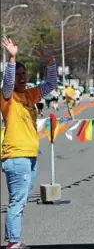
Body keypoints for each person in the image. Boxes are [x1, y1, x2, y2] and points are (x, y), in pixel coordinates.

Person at [1, 37, 57, 249]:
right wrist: (12, 58)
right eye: (18, 74)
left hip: (29, 155)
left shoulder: (29, 95)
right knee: (17, 201)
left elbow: (51, 84)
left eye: (24, 74)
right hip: (16, 156)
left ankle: (14, 240)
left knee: (20, 201)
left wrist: (51, 64)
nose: (22, 77)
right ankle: (13, 243)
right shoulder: (7, 97)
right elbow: (7, 84)